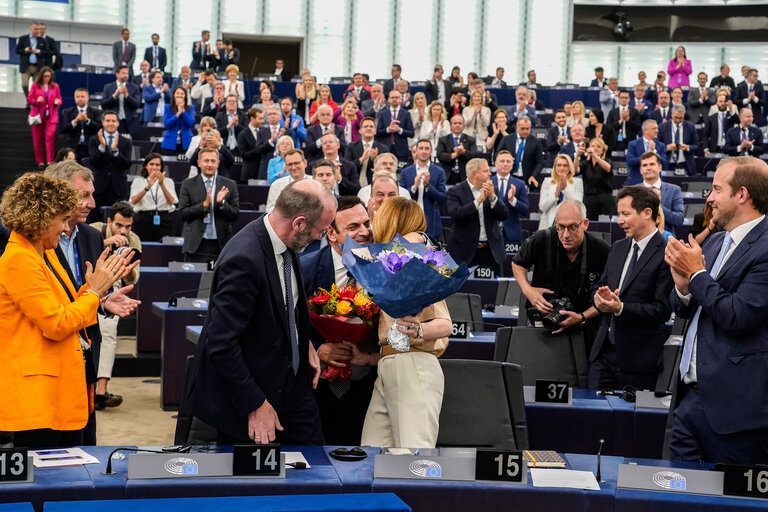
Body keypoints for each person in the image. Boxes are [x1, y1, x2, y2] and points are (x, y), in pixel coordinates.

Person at [193, 179, 336, 444]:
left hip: (292, 388)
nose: (322, 237)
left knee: (317, 470)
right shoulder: (244, 259)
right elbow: (221, 344)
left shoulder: (287, 243)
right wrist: (255, 404)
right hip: (252, 397)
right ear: (300, 223)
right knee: (260, 484)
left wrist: (303, 345)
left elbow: (286, 307)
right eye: (322, 229)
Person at [0, 172, 135, 448]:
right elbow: (57, 323)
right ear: (39, 219)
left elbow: (70, 306)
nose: (65, 229)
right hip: (37, 401)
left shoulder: (42, 252)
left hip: (58, 392)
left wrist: (96, 295)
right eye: (62, 220)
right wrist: (95, 291)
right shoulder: (19, 260)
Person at [666, 156, 768, 463]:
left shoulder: (765, 247)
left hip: (736, 413)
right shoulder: (713, 243)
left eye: (716, 189)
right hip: (688, 402)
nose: (709, 198)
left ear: (742, 195)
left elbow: (738, 316)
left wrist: (696, 275)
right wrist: (683, 287)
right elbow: (686, 308)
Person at [360, 198, 452, 449]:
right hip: (388, 364)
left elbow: (445, 325)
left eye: (377, 219)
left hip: (415, 363)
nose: (371, 226)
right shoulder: (387, 263)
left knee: (414, 460)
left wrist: (417, 329)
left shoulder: (419, 258)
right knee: (373, 456)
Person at [299, 196, 377, 445]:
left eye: (367, 223)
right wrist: (317, 347)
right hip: (315, 387)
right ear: (331, 233)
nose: (365, 232)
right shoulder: (305, 268)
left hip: (369, 384)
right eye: (353, 227)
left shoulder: (386, 268)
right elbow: (285, 324)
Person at [589, 186, 673, 391]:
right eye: (619, 214)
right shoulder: (618, 247)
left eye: (625, 214)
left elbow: (662, 310)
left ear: (647, 213)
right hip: (603, 356)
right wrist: (599, 297)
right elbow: (600, 285)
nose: (619, 221)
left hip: (639, 360)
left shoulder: (666, 253)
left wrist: (621, 309)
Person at [512, 200, 610, 351]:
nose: (565, 235)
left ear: (585, 224)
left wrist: (582, 317)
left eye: (572, 227)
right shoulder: (541, 239)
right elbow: (517, 263)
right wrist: (527, 290)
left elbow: (608, 299)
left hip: (584, 329)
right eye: (560, 227)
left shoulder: (601, 250)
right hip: (542, 324)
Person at [89, 201, 141, 410]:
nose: (124, 231)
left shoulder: (134, 240)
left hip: (113, 287)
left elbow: (133, 278)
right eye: (119, 225)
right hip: (88, 284)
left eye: (128, 226)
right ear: (109, 221)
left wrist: (128, 266)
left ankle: (101, 391)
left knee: (109, 334)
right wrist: (107, 241)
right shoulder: (94, 230)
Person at [446, 158, 508, 275]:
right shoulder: (456, 191)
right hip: (464, 252)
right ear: (475, 173)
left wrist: (493, 198)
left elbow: (504, 215)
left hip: (490, 251)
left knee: (493, 291)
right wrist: (478, 201)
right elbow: (456, 215)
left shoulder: (492, 190)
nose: (490, 173)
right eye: (486, 171)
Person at [178, 148, 240, 263]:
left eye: (213, 161)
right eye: (206, 161)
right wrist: (204, 205)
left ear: (218, 163)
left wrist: (222, 203)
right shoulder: (188, 184)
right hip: (196, 245)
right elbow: (182, 214)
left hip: (221, 245)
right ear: (199, 163)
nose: (210, 164)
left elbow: (235, 215)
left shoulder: (230, 185)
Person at [400, 139, 447, 240]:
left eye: (427, 148)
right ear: (416, 151)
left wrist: (427, 186)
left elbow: (442, 198)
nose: (424, 151)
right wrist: (414, 187)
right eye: (421, 148)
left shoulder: (439, 172)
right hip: (410, 218)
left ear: (431, 151)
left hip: (431, 220)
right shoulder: (405, 172)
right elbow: (401, 198)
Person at [88, 111, 132, 220]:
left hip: (118, 188)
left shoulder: (126, 141)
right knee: (95, 220)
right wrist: (102, 147)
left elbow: (127, 164)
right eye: (108, 121)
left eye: (113, 121)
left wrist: (116, 151)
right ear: (103, 122)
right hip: (99, 187)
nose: (110, 123)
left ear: (118, 123)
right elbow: (93, 162)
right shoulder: (94, 140)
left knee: (118, 220)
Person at [129, 153, 178, 241]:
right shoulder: (138, 181)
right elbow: (133, 201)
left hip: (163, 219)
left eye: (157, 165)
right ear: (146, 166)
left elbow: (172, 201)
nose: (154, 167)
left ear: (161, 167)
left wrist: (162, 183)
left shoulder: (168, 181)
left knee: (165, 248)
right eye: (151, 164)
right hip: (143, 219)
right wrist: (148, 186)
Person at [638, 151, 685, 236]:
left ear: (660, 167)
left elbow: (679, 219)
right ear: (640, 170)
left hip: (664, 241)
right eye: (645, 165)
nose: (648, 168)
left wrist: (657, 204)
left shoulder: (674, 190)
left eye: (652, 164)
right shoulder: (633, 191)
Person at [491, 150, 529, 246]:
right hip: (490, 233)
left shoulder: (520, 184)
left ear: (512, 164)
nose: (505, 164)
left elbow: (525, 210)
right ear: (495, 164)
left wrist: (513, 200)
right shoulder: (488, 182)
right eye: (502, 161)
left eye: (508, 161)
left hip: (512, 234)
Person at [27, 66, 61, 167]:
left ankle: (50, 160)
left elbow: (59, 99)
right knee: (37, 139)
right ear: (41, 76)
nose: (47, 78)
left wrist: (57, 102)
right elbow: (29, 99)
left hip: (51, 115)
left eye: (49, 76)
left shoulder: (55, 86)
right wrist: (37, 100)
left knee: (50, 137)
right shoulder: (35, 86)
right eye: (45, 76)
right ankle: (40, 161)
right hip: (38, 115)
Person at [539, 154, 584, 230]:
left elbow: (578, 206)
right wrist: (556, 193)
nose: (561, 168)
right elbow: (542, 207)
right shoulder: (547, 182)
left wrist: (565, 189)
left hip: (569, 225)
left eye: (565, 165)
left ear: (570, 167)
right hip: (548, 224)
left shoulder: (577, 182)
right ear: (555, 167)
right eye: (559, 165)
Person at [498, 116, 544, 190]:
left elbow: (540, 162)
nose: (525, 131)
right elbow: (498, 155)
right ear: (517, 127)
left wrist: (533, 176)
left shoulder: (536, 142)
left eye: (527, 129)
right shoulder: (507, 139)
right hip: (509, 176)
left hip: (527, 179)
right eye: (522, 129)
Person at [60, 88, 101, 164]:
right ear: (75, 98)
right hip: (73, 145)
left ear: (87, 98)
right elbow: (64, 128)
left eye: (82, 96)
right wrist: (75, 121)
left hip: (89, 145)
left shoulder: (95, 112)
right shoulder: (68, 112)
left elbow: (99, 127)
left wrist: (87, 120)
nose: (80, 99)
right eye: (78, 96)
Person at [437, 115, 480, 185]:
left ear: (463, 126)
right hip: (448, 175)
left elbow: (475, 155)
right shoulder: (443, 139)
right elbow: (440, 155)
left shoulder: (470, 139)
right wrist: (454, 154)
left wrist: (463, 152)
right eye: (455, 123)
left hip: (465, 175)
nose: (457, 125)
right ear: (451, 126)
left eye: (460, 123)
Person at [345, 116, 387, 188]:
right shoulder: (351, 146)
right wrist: (361, 159)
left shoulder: (383, 148)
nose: (368, 128)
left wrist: (375, 160)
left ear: (375, 131)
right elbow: (346, 168)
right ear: (360, 130)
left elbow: (386, 170)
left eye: (371, 126)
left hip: (375, 185)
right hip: (354, 185)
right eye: (365, 126)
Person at [266, 149, 313, 213]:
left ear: (305, 163)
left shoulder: (315, 183)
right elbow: (270, 210)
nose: (293, 167)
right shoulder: (277, 185)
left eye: (296, 163)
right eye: (290, 164)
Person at [659, 104, 699, 177]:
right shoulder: (663, 127)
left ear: (684, 115)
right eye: (676, 117)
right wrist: (666, 147)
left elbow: (696, 145)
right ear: (671, 114)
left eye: (680, 118)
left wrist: (688, 147)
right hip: (668, 164)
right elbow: (657, 145)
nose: (678, 120)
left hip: (685, 164)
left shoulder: (690, 126)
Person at [375, 90, 414, 165]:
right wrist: (388, 130)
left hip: (401, 150)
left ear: (400, 99)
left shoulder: (406, 114)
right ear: (389, 99)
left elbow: (411, 133)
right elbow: (378, 132)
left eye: (396, 97)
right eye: (392, 97)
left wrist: (400, 130)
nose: (394, 99)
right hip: (386, 149)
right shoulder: (383, 114)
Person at [100, 66, 140, 136]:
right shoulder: (108, 87)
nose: (126, 75)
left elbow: (137, 104)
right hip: (113, 121)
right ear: (117, 74)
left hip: (129, 122)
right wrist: (114, 96)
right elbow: (103, 104)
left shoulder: (134, 87)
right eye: (123, 73)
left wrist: (127, 95)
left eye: (127, 73)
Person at [626, 119, 668, 185]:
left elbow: (664, 164)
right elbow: (630, 162)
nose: (657, 131)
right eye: (654, 129)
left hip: (655, 183)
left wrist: (654, 151)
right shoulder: (633, 144)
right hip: (636, 182)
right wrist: (647, 153)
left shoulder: (661, 145)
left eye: (657, 128)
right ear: (645, 131)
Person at [581, 138, 614, 220]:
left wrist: (595, 156)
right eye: (593, 146)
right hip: (589, 198)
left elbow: (608, 168)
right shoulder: (586, 163)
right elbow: (575, 170)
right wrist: (578, 155)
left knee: (607, 224)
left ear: (602, 150)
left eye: (598, 147)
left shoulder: (607, 160)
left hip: (605, 197)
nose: (595, 148)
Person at [236, 108, 269, 182]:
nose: (263, 121)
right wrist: (259, 149)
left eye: (263, 118)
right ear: (252, 118)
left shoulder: (265, 131)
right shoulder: (242, 134)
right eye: (260, 118)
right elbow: (244, 155)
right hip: (249, 173)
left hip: (263, 172)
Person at [16, 22, 48, 96]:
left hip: (38, 67)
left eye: (38, 29)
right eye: (36, 29)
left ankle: (33, 101)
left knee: (36, 87)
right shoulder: (22, 39)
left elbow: (47, 53)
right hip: (26, 67)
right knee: (24, 85)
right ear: (31, 29)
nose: (37, 31)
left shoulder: (43, 40)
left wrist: (39, 51)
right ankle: (28, 99)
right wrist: (25, 50)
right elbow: (17, 50)